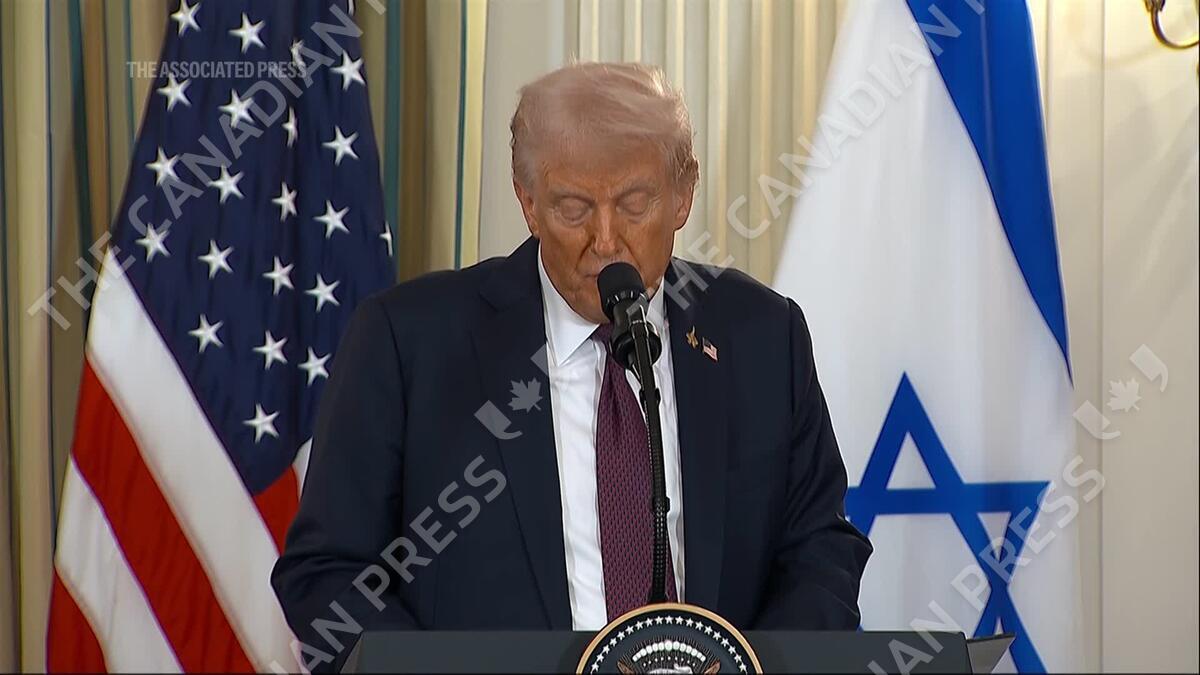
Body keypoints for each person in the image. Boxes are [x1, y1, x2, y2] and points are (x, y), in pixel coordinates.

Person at [271, 62, 871, 672]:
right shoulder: (410, 343)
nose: (605, 241)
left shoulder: (760, 336)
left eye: (634, 204)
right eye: (573, 208)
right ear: (528, 202)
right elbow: (328, 574)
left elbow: (820, 549)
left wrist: (753, 669)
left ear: (684, 193)